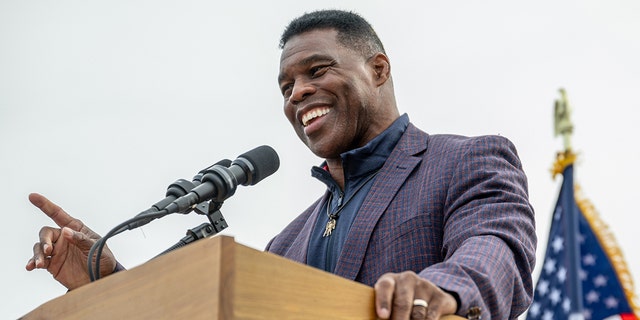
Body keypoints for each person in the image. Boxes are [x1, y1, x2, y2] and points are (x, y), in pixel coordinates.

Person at [26, 9, 536, 320]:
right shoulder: (285, 244)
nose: (299, 94)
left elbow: (497, 250)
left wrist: (443, 290)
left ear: (378, 69)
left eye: (317, 70)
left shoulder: (463, 160)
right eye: (286, 87)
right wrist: (109, 283)